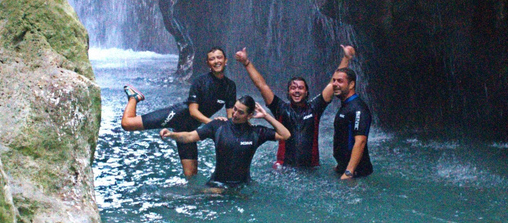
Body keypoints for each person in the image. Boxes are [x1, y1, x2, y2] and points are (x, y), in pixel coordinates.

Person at [120, 47, 236, 177]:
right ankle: (133, 98)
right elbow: (193, 112)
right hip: (178, 115)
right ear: (208, 63)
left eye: (219, 58)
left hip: (189, 129)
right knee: (127, 124)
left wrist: (234, 131)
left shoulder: (230, 86)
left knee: (191, 174)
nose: (216, 61)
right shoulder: (201, 82)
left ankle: (191, 197)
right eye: (212, 59)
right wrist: (213, 123)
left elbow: (231, 116)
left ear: (226, 61)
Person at [235, 45, 355, 167]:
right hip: (284, 168)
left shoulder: (315, 108)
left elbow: (332, 84)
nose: (297, 91)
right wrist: (246, 63)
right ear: (288, 92)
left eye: (300, 88)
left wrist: (346, 58)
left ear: (306, 92)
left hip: (311, 168)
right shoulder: (280, 109)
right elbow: (262, 86)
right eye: (293, 88)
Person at [160, 96, 291, 187]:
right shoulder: (218, 125)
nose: (234, 114)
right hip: (217, 185)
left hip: (242, 187)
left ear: (249, 115)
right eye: (234, 109)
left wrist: (266, 116)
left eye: (240, 112)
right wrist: (171, 134)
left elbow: (285, 135)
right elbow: (189, 137)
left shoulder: (256, 133)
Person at [331, 66, 373, 179]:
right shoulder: (346, 105)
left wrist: (349, 172)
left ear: (351, 85)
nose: (335, 84)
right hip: (344, 169)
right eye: (334, 80)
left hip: (357, 174)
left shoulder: (358, 108)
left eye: (340, 81)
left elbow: (361, 141)